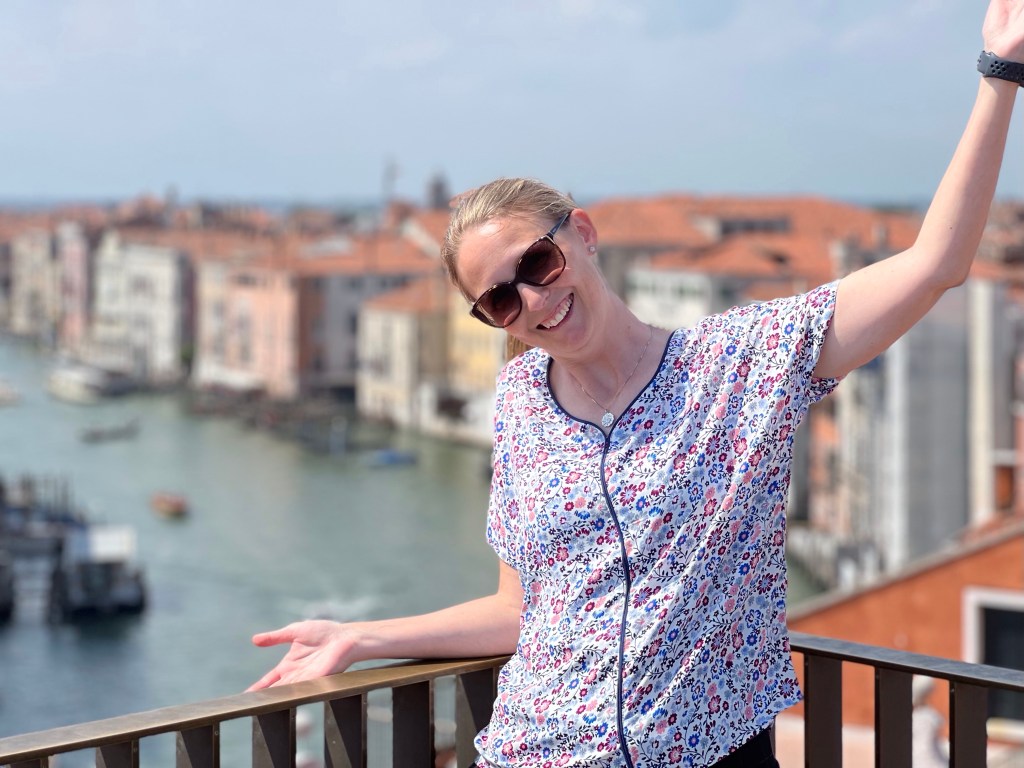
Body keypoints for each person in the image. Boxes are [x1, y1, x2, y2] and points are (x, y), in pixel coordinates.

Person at [248, 3, 1024, 765]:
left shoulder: (742, 365)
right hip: (537, 751)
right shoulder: (520, 405)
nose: (534, 300)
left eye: (539, 264)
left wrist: (999, 73)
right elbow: (522, 612)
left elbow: (935, 265)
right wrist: (364, 637)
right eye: (500, 298)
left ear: (581, 237)